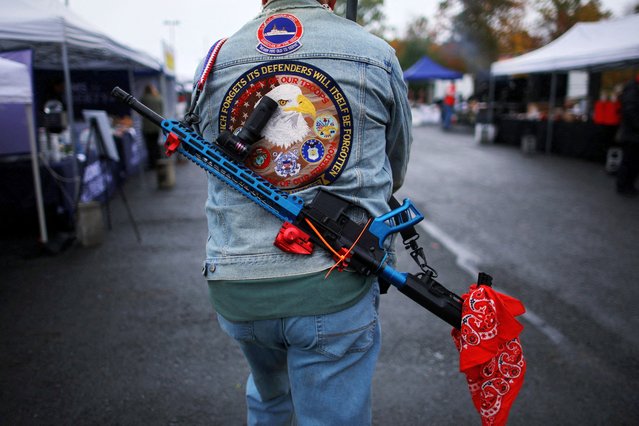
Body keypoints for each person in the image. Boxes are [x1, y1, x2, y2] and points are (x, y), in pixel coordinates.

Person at [192, 0, 412, 424]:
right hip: (333, 281)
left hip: (238, 282)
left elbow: (210, 158)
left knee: (271, 397)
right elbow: (394, 167)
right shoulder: (373, 51)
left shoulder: (215, 59)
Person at [616, 74, 639, 196]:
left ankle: (628, 185)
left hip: (632, 133)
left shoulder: (633, 87)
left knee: (632, 162)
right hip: (631, 134)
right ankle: (624, 186)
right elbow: (630, 110)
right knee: (629, 161)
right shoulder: (633, 88)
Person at [140, 83, 164, 169]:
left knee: (150, 146)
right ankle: (159, 162)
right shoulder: (158, 98)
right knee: (156, 145)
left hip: (147, 126)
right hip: (157, 125)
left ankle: (152, 164)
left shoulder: (144, 98)